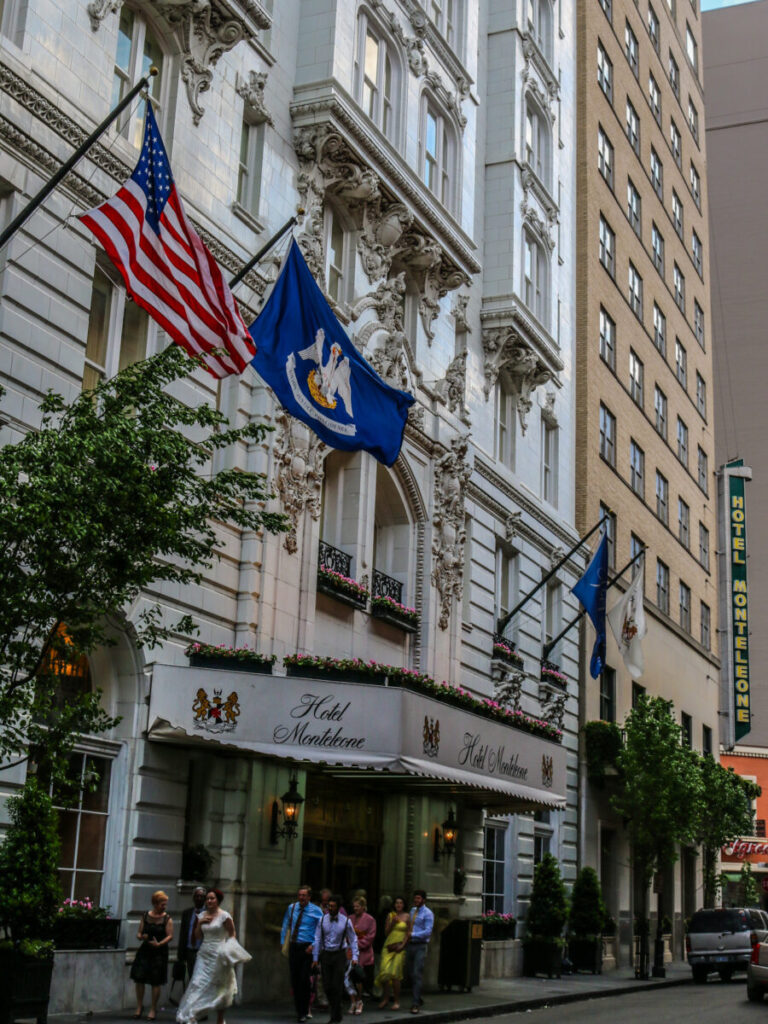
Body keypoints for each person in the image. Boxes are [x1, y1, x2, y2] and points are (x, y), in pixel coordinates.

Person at [176, 888, 250, 1024]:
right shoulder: (202, 915)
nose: (209, 901)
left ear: (218, 901)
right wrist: (200, 923)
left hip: (219, 954)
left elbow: (232, 934)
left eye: (212, 898)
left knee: (220, 986)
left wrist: (229, 949)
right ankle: (192, 1014)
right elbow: (198, 936)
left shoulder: (225, 916)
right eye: (207, 898)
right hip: (204, 953)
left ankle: (220, 1019)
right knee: (197, 983)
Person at [312, 894, 359, 1024]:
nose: (330, 909)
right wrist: (315, 958)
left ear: (339, 907)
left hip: (339, 954)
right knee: (327, 985)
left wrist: (355, 956)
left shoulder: (346, 921)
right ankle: (337, 1009)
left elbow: (353, 939)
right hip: (326, 954)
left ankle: (334, 1015)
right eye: (329, 906)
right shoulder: (322, 920)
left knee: (336, 985)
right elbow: (317, 939)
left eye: (333, 906)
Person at [281, 884, 324, 1023]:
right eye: (299, 895)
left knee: (304, 980)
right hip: (294, 946)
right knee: (295, 980)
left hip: (307, 948)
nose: (301, 898)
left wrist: (314, 945)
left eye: (304, 895)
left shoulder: (316, 911)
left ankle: (304, 1011)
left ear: (309, 897)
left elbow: (321, 931)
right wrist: (283, 942)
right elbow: (286, 924)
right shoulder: (292, 908)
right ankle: (299, 1009)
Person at [131, 890, 174, 1021]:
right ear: (155, 903)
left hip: (159, 952)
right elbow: (139, 933)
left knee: (156, 980)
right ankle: (139, 1006)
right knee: (140, 978)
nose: (164, 907)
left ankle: (153, 1008)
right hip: (145, 950)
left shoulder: (167, 918)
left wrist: (160, 943)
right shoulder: (145, 916)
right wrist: (142, 936)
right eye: (162, 904)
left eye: (165, 904)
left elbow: (170, 936)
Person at [375, 896, 410, 1011]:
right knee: (385, 973)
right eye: (396, 903)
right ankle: (385, 998)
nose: (398, 905)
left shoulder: (407, 916)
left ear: (404, 905)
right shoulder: (391, 916)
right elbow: (386, 932)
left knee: (395, 974)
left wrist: (403, 945)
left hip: (400, 946)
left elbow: (408, 933)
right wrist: (392, 924)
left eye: (400, 903)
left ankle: (396, 1001)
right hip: (389, 946)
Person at [345, 896, 376, 1013]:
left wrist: (355, 944)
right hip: (350, 952)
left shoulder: (370, 920)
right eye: (354, 906)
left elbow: (370, 938)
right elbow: (345, 934)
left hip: (363, 953)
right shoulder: (349, 918)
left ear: (363, 907)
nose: (355, 908)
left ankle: (359, 1000)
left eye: (357, 906)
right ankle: (352, 1001)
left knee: (358, 977)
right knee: (348, 978)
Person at [405, 890, 434, 1015]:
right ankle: (418, 996)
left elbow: (428, 932)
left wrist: (413, 934)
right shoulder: (412, 911)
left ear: (424, 900)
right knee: (410, 973)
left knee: (417, 973)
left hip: (420, 945)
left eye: (418, 898)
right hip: (410, 945)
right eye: (415, 898)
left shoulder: (428, 914)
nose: (416, 900)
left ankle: (415, 1003)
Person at [178, 888, 206, 984]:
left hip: (202, 951)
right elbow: (183, 934)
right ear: (193, 898)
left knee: (201, 979)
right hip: (190, 951)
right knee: (191, 978)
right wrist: (180, 955)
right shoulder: (187, 913)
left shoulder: (208, 914)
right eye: (197, 896)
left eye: (201, 896)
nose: (199, 898)